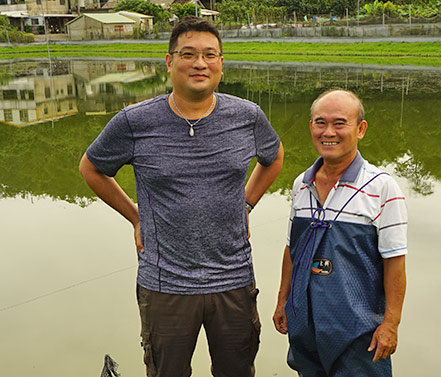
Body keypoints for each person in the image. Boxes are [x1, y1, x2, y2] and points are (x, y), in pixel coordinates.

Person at [79, 16, 284, 377]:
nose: (200, 63)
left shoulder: (247, 116)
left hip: (234, 280)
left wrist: (246, 203)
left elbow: (274, 157)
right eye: (188, 54)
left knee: (237, 370)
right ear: (169, 61)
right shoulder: (134, 121)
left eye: (210, 55)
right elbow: (92, 169)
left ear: (221, 63)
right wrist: (135, 215)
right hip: (165, 282)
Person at [273, 89, 406, 376]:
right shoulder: (301, 185)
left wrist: (391, 325)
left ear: (361, 129)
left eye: (340, 123)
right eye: (320, 123)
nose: (328, 132)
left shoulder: (382, 188)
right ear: (311, 127)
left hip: (359, 331)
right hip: (306, 325)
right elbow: (291, 249)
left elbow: (394, 260)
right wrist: (283, 301)